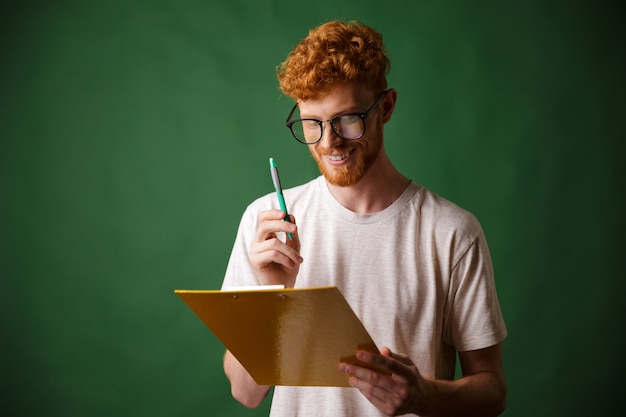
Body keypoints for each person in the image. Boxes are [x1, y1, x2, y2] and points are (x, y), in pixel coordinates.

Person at [221, 20, 507, 417]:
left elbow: (492, 391)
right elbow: (245, 392)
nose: (329, 142)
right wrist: (274, 296)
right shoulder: (265, 223)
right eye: (312, 124)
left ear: (386, 107)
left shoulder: (452, 233)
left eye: (347, 120)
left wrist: (425, 395)